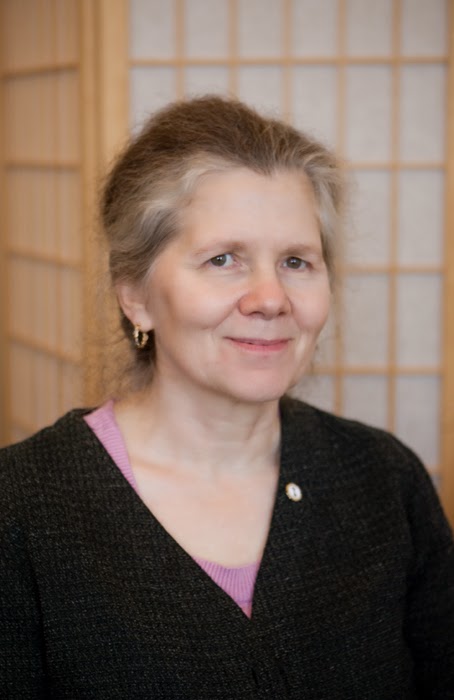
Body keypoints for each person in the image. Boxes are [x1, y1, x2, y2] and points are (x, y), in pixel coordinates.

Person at [0, 95, 453, 699]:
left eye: (297, 261)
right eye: (223, 259)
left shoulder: (384, 479)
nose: (271, 298)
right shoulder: (22, 507)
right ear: (135, 295)